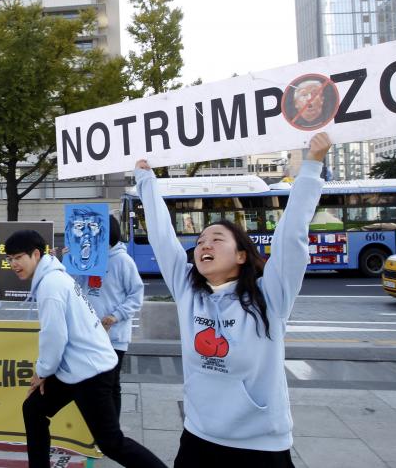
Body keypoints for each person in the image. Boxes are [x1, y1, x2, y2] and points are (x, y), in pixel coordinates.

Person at [134, 132, 332, 467]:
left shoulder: (270, 296)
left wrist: (312, 166)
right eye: (200, 241)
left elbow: (291, 236)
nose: (204, 245)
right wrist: (145, 179)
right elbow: (162, 237)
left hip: (261, 446)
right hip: (198, 437)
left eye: (216, 239)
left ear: (241, 255)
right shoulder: (188, 291)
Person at [4, 230, 166, 468]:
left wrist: (42, 372)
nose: (13, 264)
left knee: (111, 443)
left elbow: (54, 336)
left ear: (36, 254)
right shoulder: (54, 277)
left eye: (18, 257)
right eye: (9, 259)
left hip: (91, 372)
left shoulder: (51, 284)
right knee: (33, 409)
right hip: (76, 368)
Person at [74, 215, 142, 416]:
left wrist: (116, 316)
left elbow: (136, 294)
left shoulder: (123, 260)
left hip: (114, 336)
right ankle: (102, 425)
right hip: (89, 334)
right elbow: (73, 286)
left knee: (110, 385)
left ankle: (111, 428)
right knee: (94, 384)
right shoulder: (87, 255)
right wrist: (70, 261)